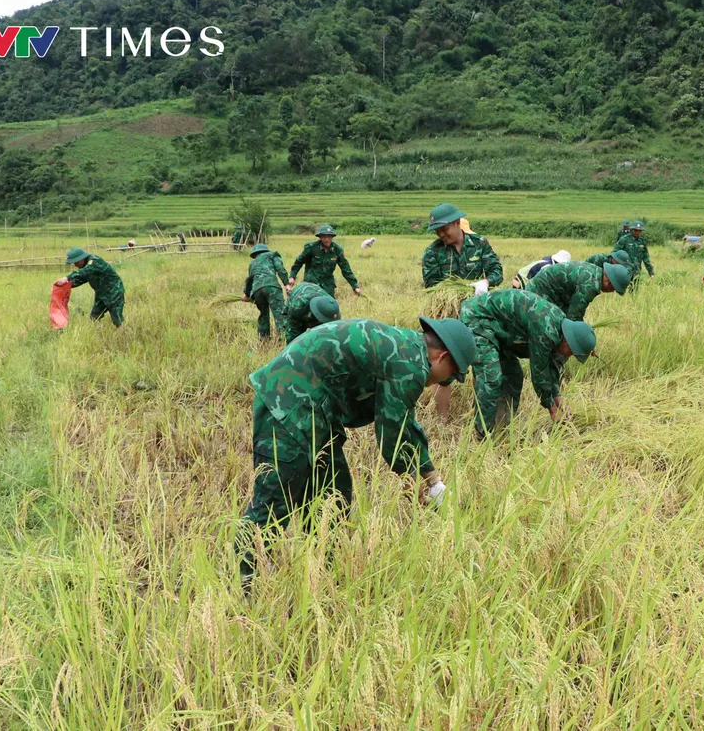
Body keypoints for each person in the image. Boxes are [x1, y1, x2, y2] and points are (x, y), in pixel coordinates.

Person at [238, 316, 477, 589]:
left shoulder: (407, 350)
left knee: (333, 494)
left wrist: (432, 478)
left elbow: (405, 421)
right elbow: (391, 431)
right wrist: (409, 480)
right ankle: (246, 581)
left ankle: (324, 573)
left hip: (316, 408)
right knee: (276, 496)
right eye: (451, 374)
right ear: (443, 357)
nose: (442, 382)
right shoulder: (410, 364)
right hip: (287, 399)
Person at [458, 290, 596, 439]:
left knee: (513, 374)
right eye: (572, 352)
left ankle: (500, 426)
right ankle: (482, 436)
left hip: (498, 328)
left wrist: (557, 397)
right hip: (478, 318)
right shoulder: (546, 330)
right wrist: (552, 408)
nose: (569, 356)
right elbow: (539, 372)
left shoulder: (560, 327)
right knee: (491, 378)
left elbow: (551, 365)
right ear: (567, 341)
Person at [421, 203, 504, 294]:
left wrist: (486, 282)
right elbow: (432, 286)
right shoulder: (432, 253)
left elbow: (496, 271)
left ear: (457, 222)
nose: (441, 234)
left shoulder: (480, 244)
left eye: (444, 229)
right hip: (449, 304)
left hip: (477, 301)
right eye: (437, 231)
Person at [527, 261, 631, 320]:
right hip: (541, 290)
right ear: (609, 282)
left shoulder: (595, 271)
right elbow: (574, 317)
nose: (611, 291)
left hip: (555, 294)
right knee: (550, 327)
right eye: (614, 289)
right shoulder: (590, 285)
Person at [55, 247, 125, 328]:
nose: (75, 265)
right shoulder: (85, 267)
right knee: (94, 317)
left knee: (117, 318)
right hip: (101, 293)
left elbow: (85, 271)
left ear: (81, 259)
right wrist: (65, 286)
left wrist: (67, 277)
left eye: (76, 262)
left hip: (114, 291)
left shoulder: (94, 261)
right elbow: (81, 279)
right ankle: (99, 333)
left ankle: (123, 335)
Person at [289, 225, 361, 298]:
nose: (326, 239)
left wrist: (355, 286)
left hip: (328, 285)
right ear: (320, 237)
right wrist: (292, 276)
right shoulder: (311, 247)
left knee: (328, 306)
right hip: (311, 284)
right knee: (310, 305)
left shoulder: (337, 250)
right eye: (324, 237)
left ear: (332, 237)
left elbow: (346, 269)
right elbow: (298, 262)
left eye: (329, 237)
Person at [242, 243, 290, 340]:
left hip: (257, 291)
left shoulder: (252, 263)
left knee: (263, 314)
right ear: (266, 251)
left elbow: (249, 280)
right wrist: (286, 284)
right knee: (280, 314)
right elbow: (280, 269)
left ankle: (264, 339)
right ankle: (284, 338)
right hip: (271, 287)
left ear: (255, 254)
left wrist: (246, 294)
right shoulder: (272, 255)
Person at [614, 220, 654, 286]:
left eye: (639, 231)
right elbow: (615, 253)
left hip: (637, 270)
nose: (637, 232)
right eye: (635, 230)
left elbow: (645, 257)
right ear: (632, 229)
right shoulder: (624, 239)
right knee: (622, 288)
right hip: (625, 269)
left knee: (634, 290)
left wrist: (650, 272)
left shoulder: (642, 241)